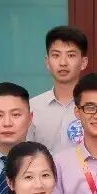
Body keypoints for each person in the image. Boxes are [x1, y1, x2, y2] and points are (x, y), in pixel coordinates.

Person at [28, 25, 89, 155]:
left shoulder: (95, 108)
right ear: (47, 62)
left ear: (83, 62)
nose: (63, 63)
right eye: (56, 55)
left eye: (71, 55)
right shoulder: (32, 108)